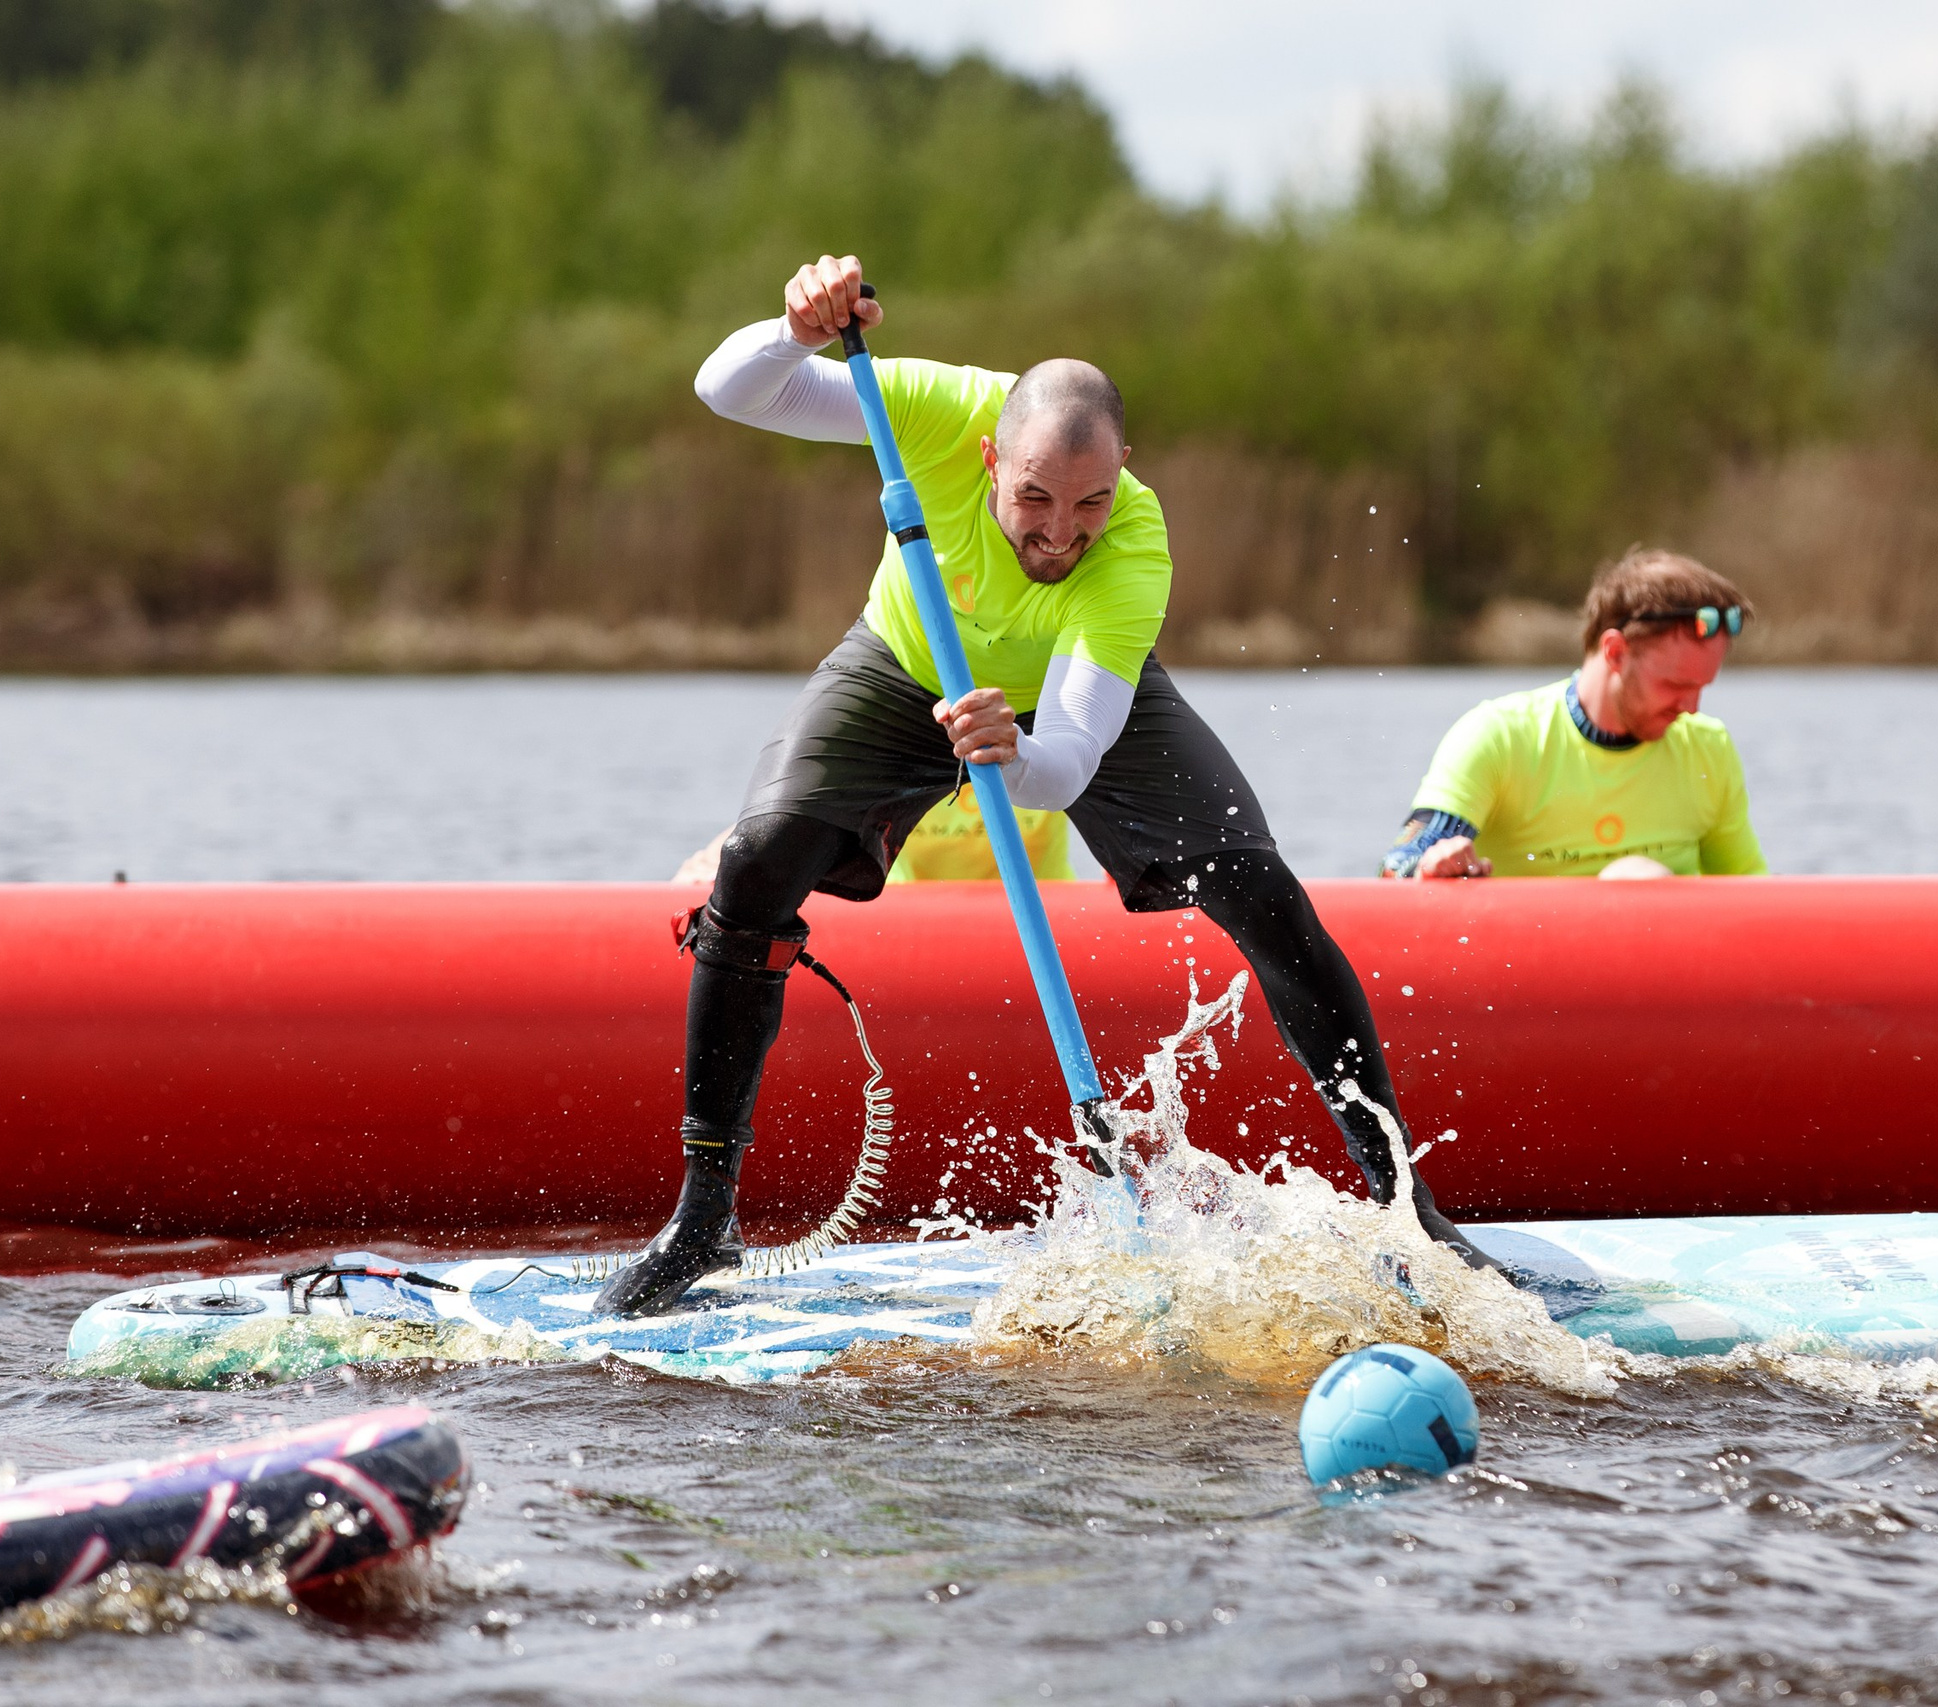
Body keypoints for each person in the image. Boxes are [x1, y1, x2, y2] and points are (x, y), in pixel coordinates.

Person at [600, 253, 1493, 1315]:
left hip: (1072, 706)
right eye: (1032, 498)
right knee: (753, 867)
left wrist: (1012, 754)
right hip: (903, 667)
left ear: (1123, 475)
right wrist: (796, 329)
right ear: (989, 456)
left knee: (1263, 894)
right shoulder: (933, 410)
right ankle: (704, 1219)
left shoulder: (1135, 549)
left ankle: (1407, 1211)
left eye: (1088, 503)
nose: (1059, 533)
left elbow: (1066, 759)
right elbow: (730, 390)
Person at [1383, 548, 1768, 881]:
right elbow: (1397, 867)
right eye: (1675, 685)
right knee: (1632, 877)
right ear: (1615, 652)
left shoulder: (1709, 748)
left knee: (1636, 876)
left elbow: (1754, 895)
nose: (1692, 707)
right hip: (1526, 946)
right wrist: (1431, 865)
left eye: (1702, 687)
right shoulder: (1498, 738)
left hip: (1666, 944)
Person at [675, 789, 1075, 885]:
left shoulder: (1041, 734)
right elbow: (797, 812)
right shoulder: (888, 749)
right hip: (906, 940)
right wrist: (720, 865)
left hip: (1041, 934)